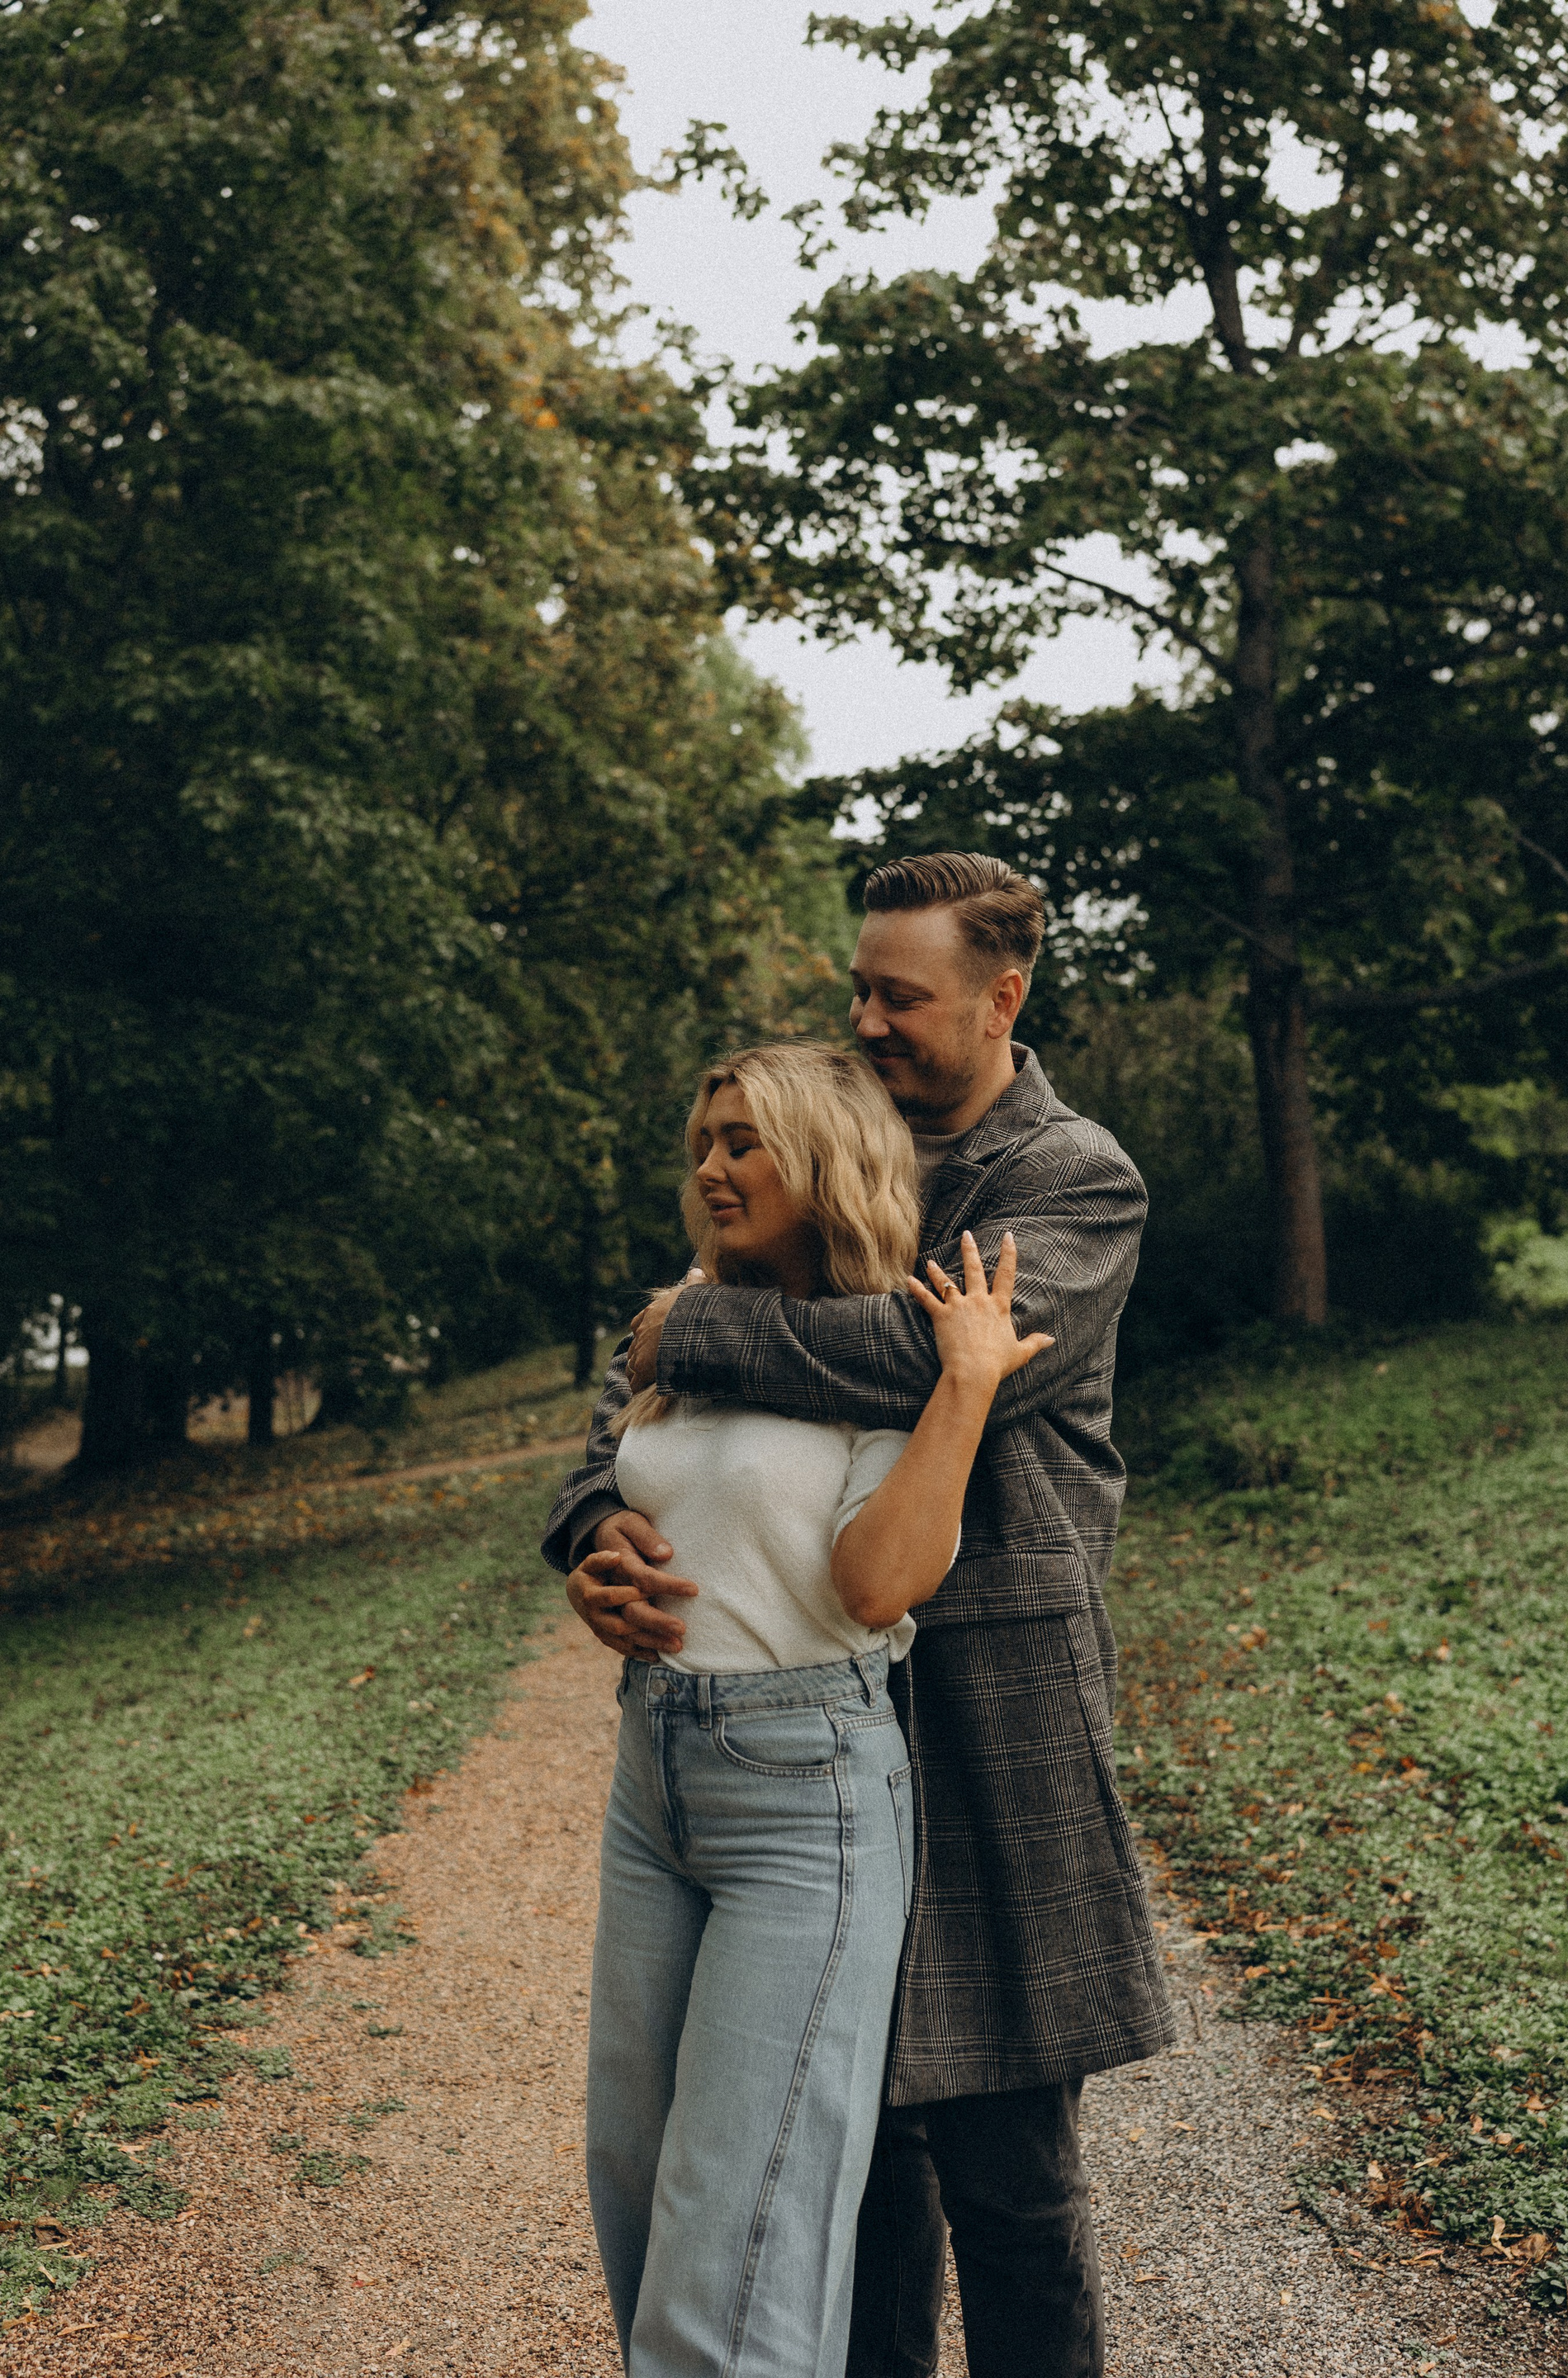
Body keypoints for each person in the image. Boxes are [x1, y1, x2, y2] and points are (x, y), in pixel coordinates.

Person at [544, 851, 1174, 2378]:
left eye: (904, 997)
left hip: (985, 1704)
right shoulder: (823, 1133)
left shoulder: (1069, 1178)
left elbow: (923, 1360)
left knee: (1007, 2164)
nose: (869, 1021)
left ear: (1001, 1000)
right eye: (860, 992)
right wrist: (591, 1525)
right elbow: (641, 1393)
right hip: (791, 1703)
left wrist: (697, 1322)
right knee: (843, 2160)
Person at [565, 1040, 1051, 2378]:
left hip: (807, 1789)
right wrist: (598, 1538)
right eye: (702, 1146)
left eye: (743, 1143)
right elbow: (609, 1476)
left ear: (824, 1160)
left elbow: (879, 1582)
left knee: (742, 2217)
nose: (710, 1170)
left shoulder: (888, 1346)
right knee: (635, 2172)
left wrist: (964, 1386)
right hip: (653, 1772)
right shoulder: (684, 1317)